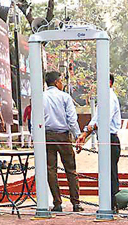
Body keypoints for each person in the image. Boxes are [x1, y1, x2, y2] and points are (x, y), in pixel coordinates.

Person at [76, 73, 122, 210]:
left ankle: (112, 205)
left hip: (110, 138)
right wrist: (85, 133)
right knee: (106, 172)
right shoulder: (104, 99)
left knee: (110, 173)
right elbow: (97, 119)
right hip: (105, 138)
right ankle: (109, 204)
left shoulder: (109, 98)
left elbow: (103, 121)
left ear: (109, 82)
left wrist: (88, 130)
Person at [42, 71, 82, 212]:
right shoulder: (65, 97)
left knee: (51, 170)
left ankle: (57, 203)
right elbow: (72, 119)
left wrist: (35, 139)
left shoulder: (40, 97)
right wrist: (78, 136)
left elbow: (35, 120)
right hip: (63, 136)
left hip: (46, 137)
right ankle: (76, 203)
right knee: (71, 170)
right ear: (57, 82)